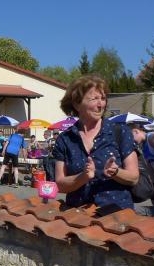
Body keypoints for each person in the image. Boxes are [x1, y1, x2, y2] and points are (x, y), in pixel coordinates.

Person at [53, 75, 139, 211]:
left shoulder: (120, 132)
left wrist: (116, 172)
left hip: (116, 214)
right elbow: (60, 184)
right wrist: (83, 177)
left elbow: (134, 177)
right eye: (94, 99)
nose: (101, 105)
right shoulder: (65, 139)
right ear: (77, 104)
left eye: (103, 99)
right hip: (78, 216)